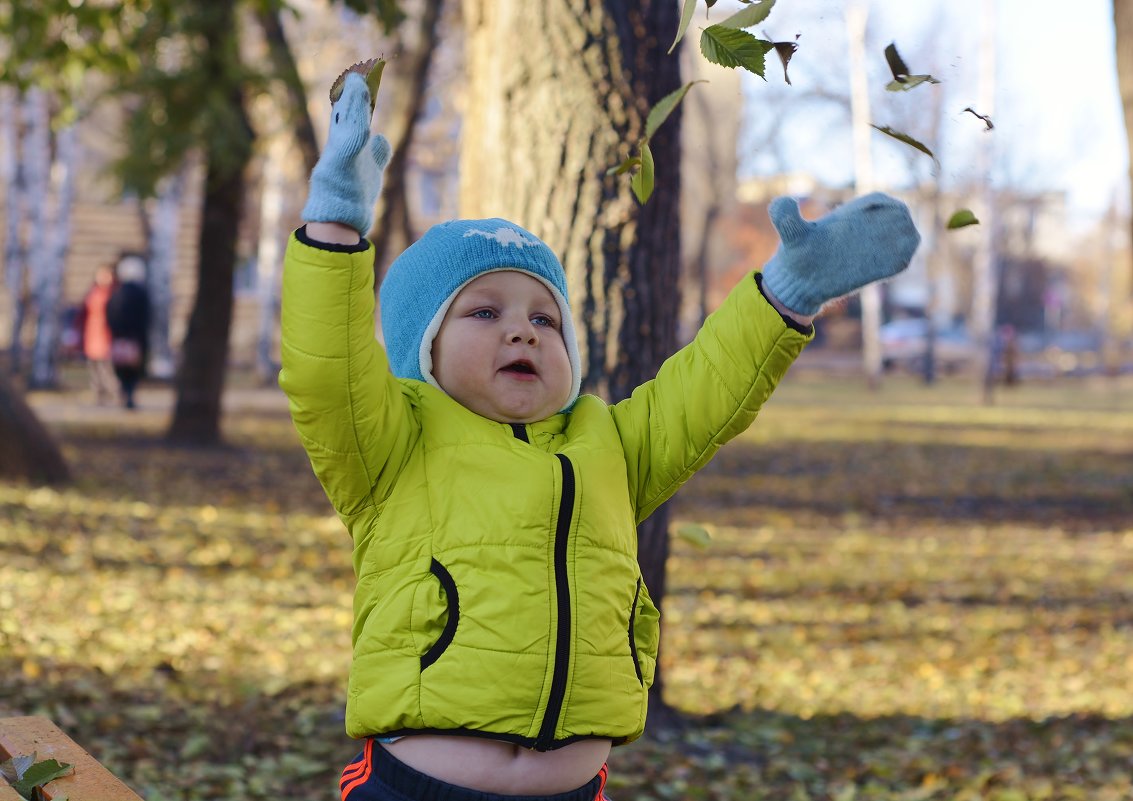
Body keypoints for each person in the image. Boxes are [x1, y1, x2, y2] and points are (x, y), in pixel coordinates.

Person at [279, 72, 920, 801]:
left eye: (543, 318)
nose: (521, 327)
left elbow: (705, 390)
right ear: (419, 351)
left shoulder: (608, 443)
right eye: (483, 312)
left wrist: (786, 291)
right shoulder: (392, 444)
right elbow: (325, 369)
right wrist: (333, 225)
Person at [105, 255, 151, 409]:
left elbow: (110, 315)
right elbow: (145, 317)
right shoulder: (140, 293)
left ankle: (125, 394)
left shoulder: (117, 292)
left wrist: (116, 333)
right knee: (133, 370)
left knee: (122, 369)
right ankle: (129, 395)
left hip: (119, 338)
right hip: (135, 338)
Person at [79, 263, 118, 405]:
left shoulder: (113, 294)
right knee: (94, 368)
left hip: (106, 334)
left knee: (107, 368)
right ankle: (99, 394)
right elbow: (83, 315)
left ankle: (114, 393)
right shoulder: (92, 293)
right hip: (92, 334)